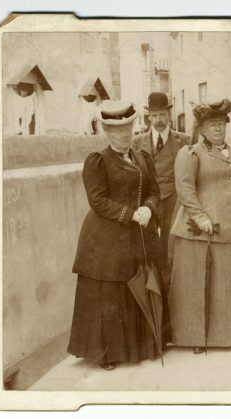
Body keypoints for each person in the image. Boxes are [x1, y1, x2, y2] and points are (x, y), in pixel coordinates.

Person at [68, 100, 163, 370]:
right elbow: (97, 200)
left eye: (127, 128)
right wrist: (130, 214)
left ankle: (140, 347)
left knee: (138, 282)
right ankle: (107, 354)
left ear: (134, 127)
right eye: (116, 130)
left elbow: (155, 192)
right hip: (106, 238)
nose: (123, 134)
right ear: (106, 132)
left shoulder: (142, 158)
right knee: (109, 292)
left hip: (138, 236)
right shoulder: (97, 161)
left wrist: (148, 207)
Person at [169, 99, 231, 354]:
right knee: (196, 284)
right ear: (202, 128)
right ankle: (197, 337)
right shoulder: (190, 154)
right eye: (212, 124)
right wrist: (201, 217)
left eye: (221, 124)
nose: (218, 129)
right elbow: (185, 190)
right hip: (201, 229)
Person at [132, 92, 190, 346]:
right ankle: (152, 323)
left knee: (174, 256)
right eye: (154, 115)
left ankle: (176, 323)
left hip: (175, 203)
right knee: (149, 255)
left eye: (162, 115)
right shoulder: (137, 142)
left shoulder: (184, 141)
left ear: (169, 115)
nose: (158, 120)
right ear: (148, 116)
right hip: (147, 205)